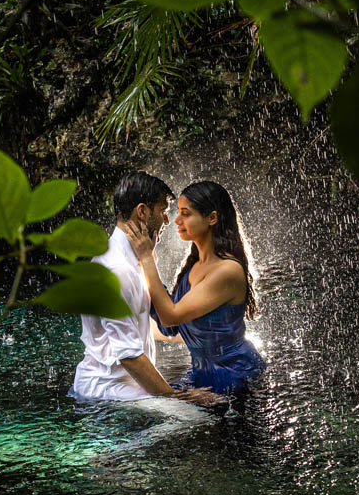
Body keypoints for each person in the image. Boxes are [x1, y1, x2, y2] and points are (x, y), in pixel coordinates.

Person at [71, 172, 218, 406]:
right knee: (200, 417)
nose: (167, 221)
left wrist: (195, 338)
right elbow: (129, 356)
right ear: (142, 212)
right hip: (105, 393)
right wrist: (177, 397)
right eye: (162, 211)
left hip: (125, 385)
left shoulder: (134, 259)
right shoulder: (118, 270)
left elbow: (148, 321)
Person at [124, 180, 264, 394]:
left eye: (185, 214)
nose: (176, 220)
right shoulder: (194, 265)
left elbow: (171, 316)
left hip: (236, 375)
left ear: (212, 218)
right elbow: (169, 326)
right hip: (203, 373)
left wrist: (147, 259)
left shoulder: (227, 271)